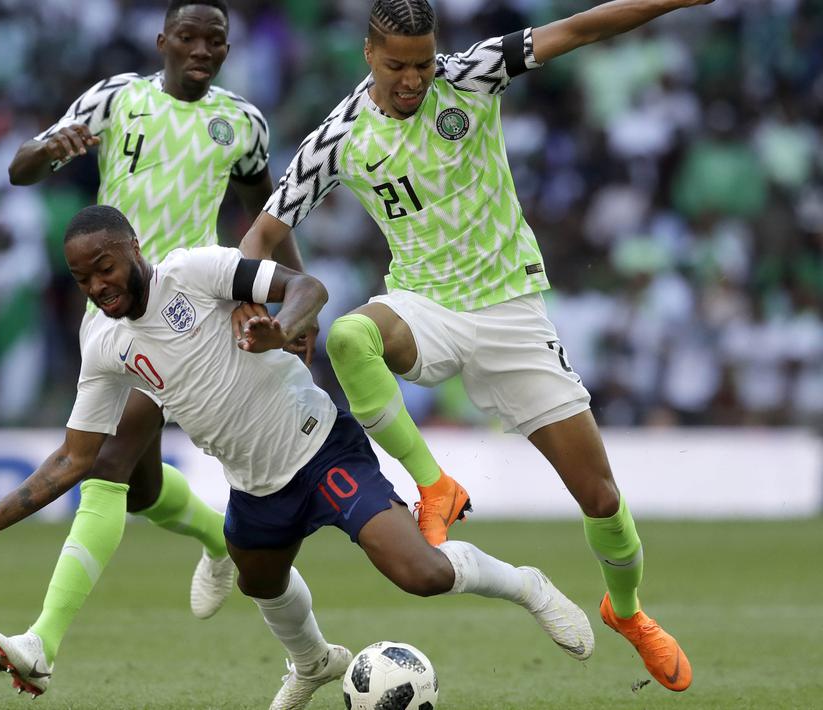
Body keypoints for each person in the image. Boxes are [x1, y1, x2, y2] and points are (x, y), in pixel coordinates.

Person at [0, 205, 594, 709]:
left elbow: (308, 288)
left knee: (416, 572)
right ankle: (312, 663)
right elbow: (75, 458)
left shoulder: (194, 271)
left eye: (105, 267)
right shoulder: (104, 345)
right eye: (81, 277)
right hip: (254, 486)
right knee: (259, 583)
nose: (97, 285)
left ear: (133, 249)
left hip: (319, 447)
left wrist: (283, 327)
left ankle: (524, 584)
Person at [237, 0, 712, 693]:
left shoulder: (471, 74)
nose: (412, 79)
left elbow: (579, 28)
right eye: (397, 65)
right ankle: (433, 483)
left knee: (601, 498)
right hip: (423, 305)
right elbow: (262, 234)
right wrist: (252, 299)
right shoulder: (337, 137)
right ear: (368, 54)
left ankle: (627, 611)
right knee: (349, 335)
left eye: (422, 63)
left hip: (510, 313)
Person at [6, 0, 309, 676]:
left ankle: (41, 643)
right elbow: (20, 169)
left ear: (228, 48)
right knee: (140, 490)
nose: (202, 49)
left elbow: (265, 214)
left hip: (185, 314)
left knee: (105, 467)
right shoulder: (116, 99)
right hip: (109, 309)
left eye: (216, 40)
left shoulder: (244, 123)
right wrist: (44, 150)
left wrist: (288, 290)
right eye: (188, 37)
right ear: (162, 40)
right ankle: (219, 539)